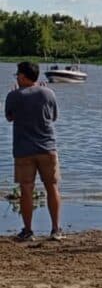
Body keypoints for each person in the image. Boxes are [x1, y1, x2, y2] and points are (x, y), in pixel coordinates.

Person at [4, 61, 63, 241]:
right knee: (52, 187)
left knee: (26, 189)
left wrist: (17, 95)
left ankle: (28, 231)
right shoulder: (48, 93)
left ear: (22, 76)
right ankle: (55, 230)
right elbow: (53, 117)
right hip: (47, 148)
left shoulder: (13, 95)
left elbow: (9, 117)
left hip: (23, 150)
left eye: (18, 75)